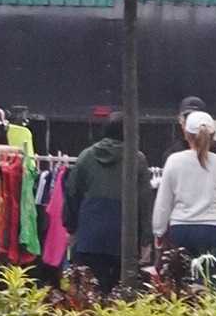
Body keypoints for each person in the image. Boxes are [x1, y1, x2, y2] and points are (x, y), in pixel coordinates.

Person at [153, 108, 216, 276]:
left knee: (182, 281)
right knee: (210, 281)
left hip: (181, 229)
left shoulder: (174, 161)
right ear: (213, 136)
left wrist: (159, 231)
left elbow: (163, 202)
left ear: (186, 135)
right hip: (212, 230)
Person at [61, 112, 151, 296]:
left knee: (88, 294)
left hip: (89, 237)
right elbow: (144, 202)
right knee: (121, 296)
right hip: (124, 239)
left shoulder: (86, 156)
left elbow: (72, 193)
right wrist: (145, 240)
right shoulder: (137, 159)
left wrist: (71, 227)